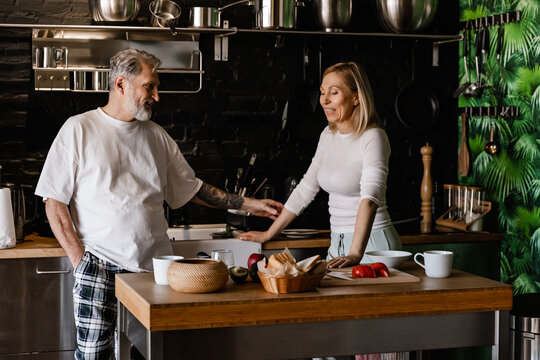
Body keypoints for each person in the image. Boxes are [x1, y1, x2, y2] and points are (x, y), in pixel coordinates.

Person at [35, 48, 283, 360]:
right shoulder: (79, 129)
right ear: (121, 85)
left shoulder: (156, 136)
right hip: (97, 266)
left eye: (156, 86)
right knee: (93, 357)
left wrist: (247, 204)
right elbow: (54, 202)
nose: (157, 95)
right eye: (150, 86)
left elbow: (191, 189)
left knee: (155, 354)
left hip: (155, 269)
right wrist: (79, 259)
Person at [239, 61, 402, 269]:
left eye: (334, 93)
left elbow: (370, 199)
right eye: (323, 92)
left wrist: (355, 253)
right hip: (338, 245)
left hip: (372, 245)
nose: (324, 100)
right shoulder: (328, 135)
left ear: (356, 97)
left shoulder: (373, 137)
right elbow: (306, 189)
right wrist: (269, 234)